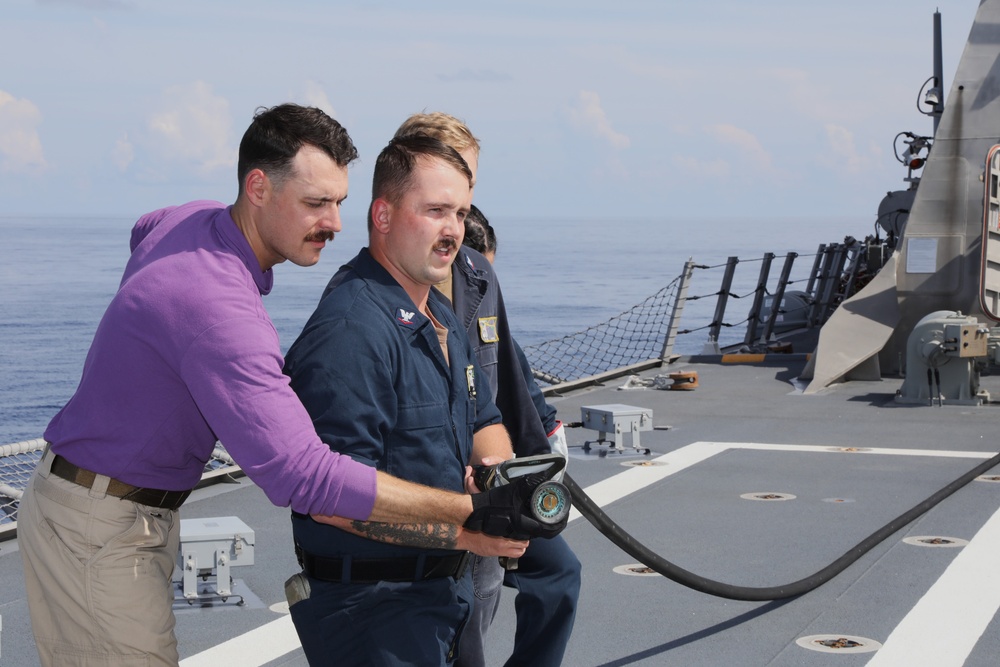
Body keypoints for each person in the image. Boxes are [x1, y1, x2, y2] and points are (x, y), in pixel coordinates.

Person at [17, 104, 537, 667]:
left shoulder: (189, 220)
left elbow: (144, 228)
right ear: (258, 187)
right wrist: (466, 516)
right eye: (315, 203)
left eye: (339, 200)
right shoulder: (224, 312)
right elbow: (305, 475)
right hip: (100, 525)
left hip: (116, 505)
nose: (336, 222)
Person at [281, 134, 562, 666]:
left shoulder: (440, 315)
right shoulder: (350, 333)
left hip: (438, 602)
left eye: (459, 213)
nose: (453, 230)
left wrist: (499, 477)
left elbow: (484, 419)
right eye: (434, 211)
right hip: (374, 614)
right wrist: (467, 528)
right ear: (382, 216)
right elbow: (329, 499)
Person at [394, 113, 581, 667]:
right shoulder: (391, 282)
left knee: (553, 576)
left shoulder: (477, 274)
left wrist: (538, 450)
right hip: (431, 489)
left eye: (469, 183)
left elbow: (502, 374)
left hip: (493, 472)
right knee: (464, 620)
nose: (462, 200)